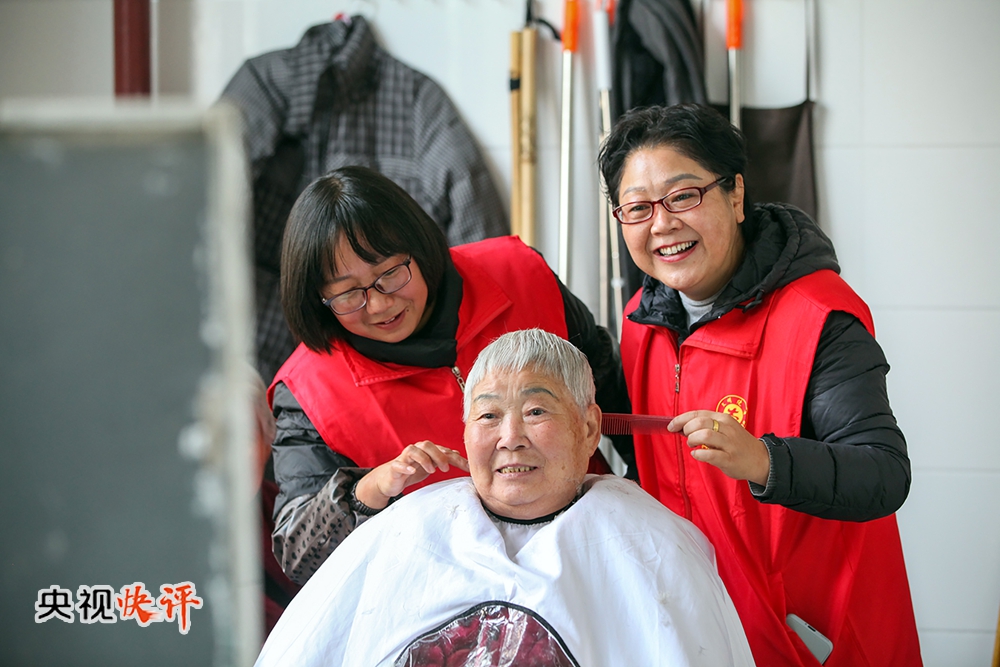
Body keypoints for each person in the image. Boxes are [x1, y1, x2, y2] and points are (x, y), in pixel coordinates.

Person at [598, 103, 921, 666]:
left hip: (813, 641)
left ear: (736, 195)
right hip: (700, 631)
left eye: (684, 196)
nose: (663, 224)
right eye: (638, 208)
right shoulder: (640, 325)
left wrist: (764, 461)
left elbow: (884, 472)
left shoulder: (819, 318)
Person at [254, 329, 755, 666]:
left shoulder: (652, 544)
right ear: (465, 430)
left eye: (536, 411)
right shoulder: (408, 531)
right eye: (489, 416)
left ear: (589, 428)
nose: (509, 437)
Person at [267, 166, 632, 585]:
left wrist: (642, 499)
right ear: (318, 300)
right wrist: (370, 489)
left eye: (390, 274)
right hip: (441, 602)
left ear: (419, 247)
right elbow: (297, 553)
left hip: (594, 557)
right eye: (348, 294)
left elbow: (618, 398)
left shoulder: (518, 275)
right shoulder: (308, 389)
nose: (378, 305)